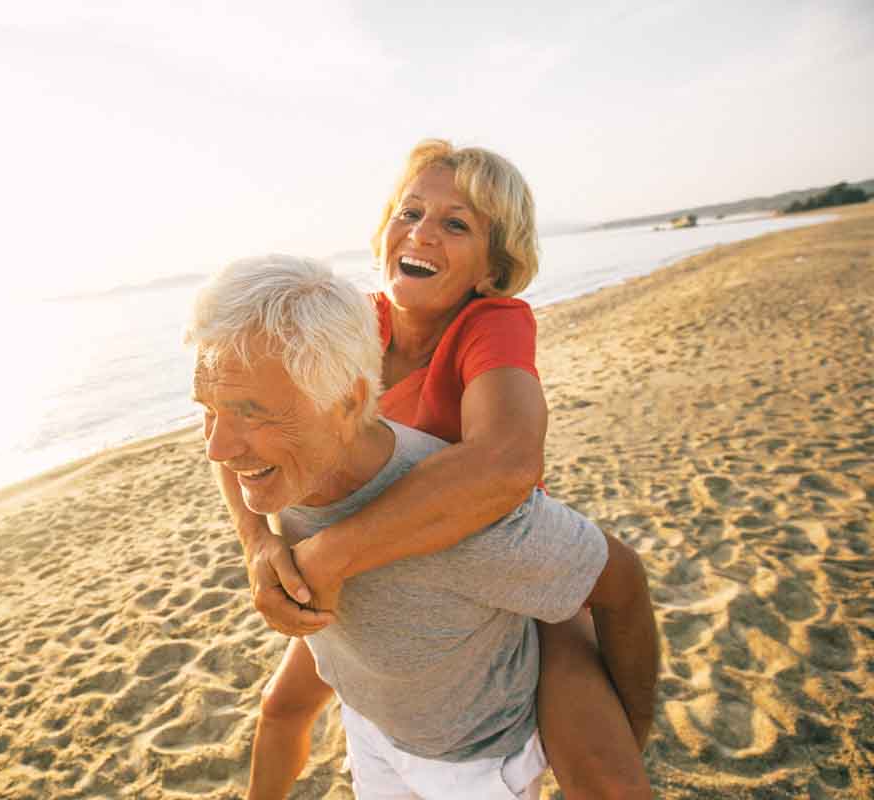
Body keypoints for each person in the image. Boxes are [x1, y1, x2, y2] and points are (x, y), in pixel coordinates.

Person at [212, 140, 654, 799]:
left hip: (502, 570)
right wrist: (258, 541)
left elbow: (507, 462)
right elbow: (229, 407)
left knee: (607, 777)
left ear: (493, 266)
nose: (421, 231)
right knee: (280, 708)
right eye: (410, 211)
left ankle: (640, 742)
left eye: (456, 223)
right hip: (385, 574)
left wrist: (328, 557)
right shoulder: (353, 323)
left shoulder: (491, 324)